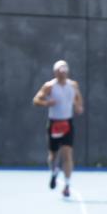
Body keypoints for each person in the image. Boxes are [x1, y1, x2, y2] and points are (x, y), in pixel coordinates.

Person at [32, 60, 83, 197]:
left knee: (67, 153)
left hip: (67, 123)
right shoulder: (49, 86)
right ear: (55, 72)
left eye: (64, 71)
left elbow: (78, 100)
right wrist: (47, 102)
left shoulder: (73, 85)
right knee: (53, 155)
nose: (62, 74)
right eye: (60, 72)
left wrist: (78, 106)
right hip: (54, 123)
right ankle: (54, 171)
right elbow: (36, 100)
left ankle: (67, 184)